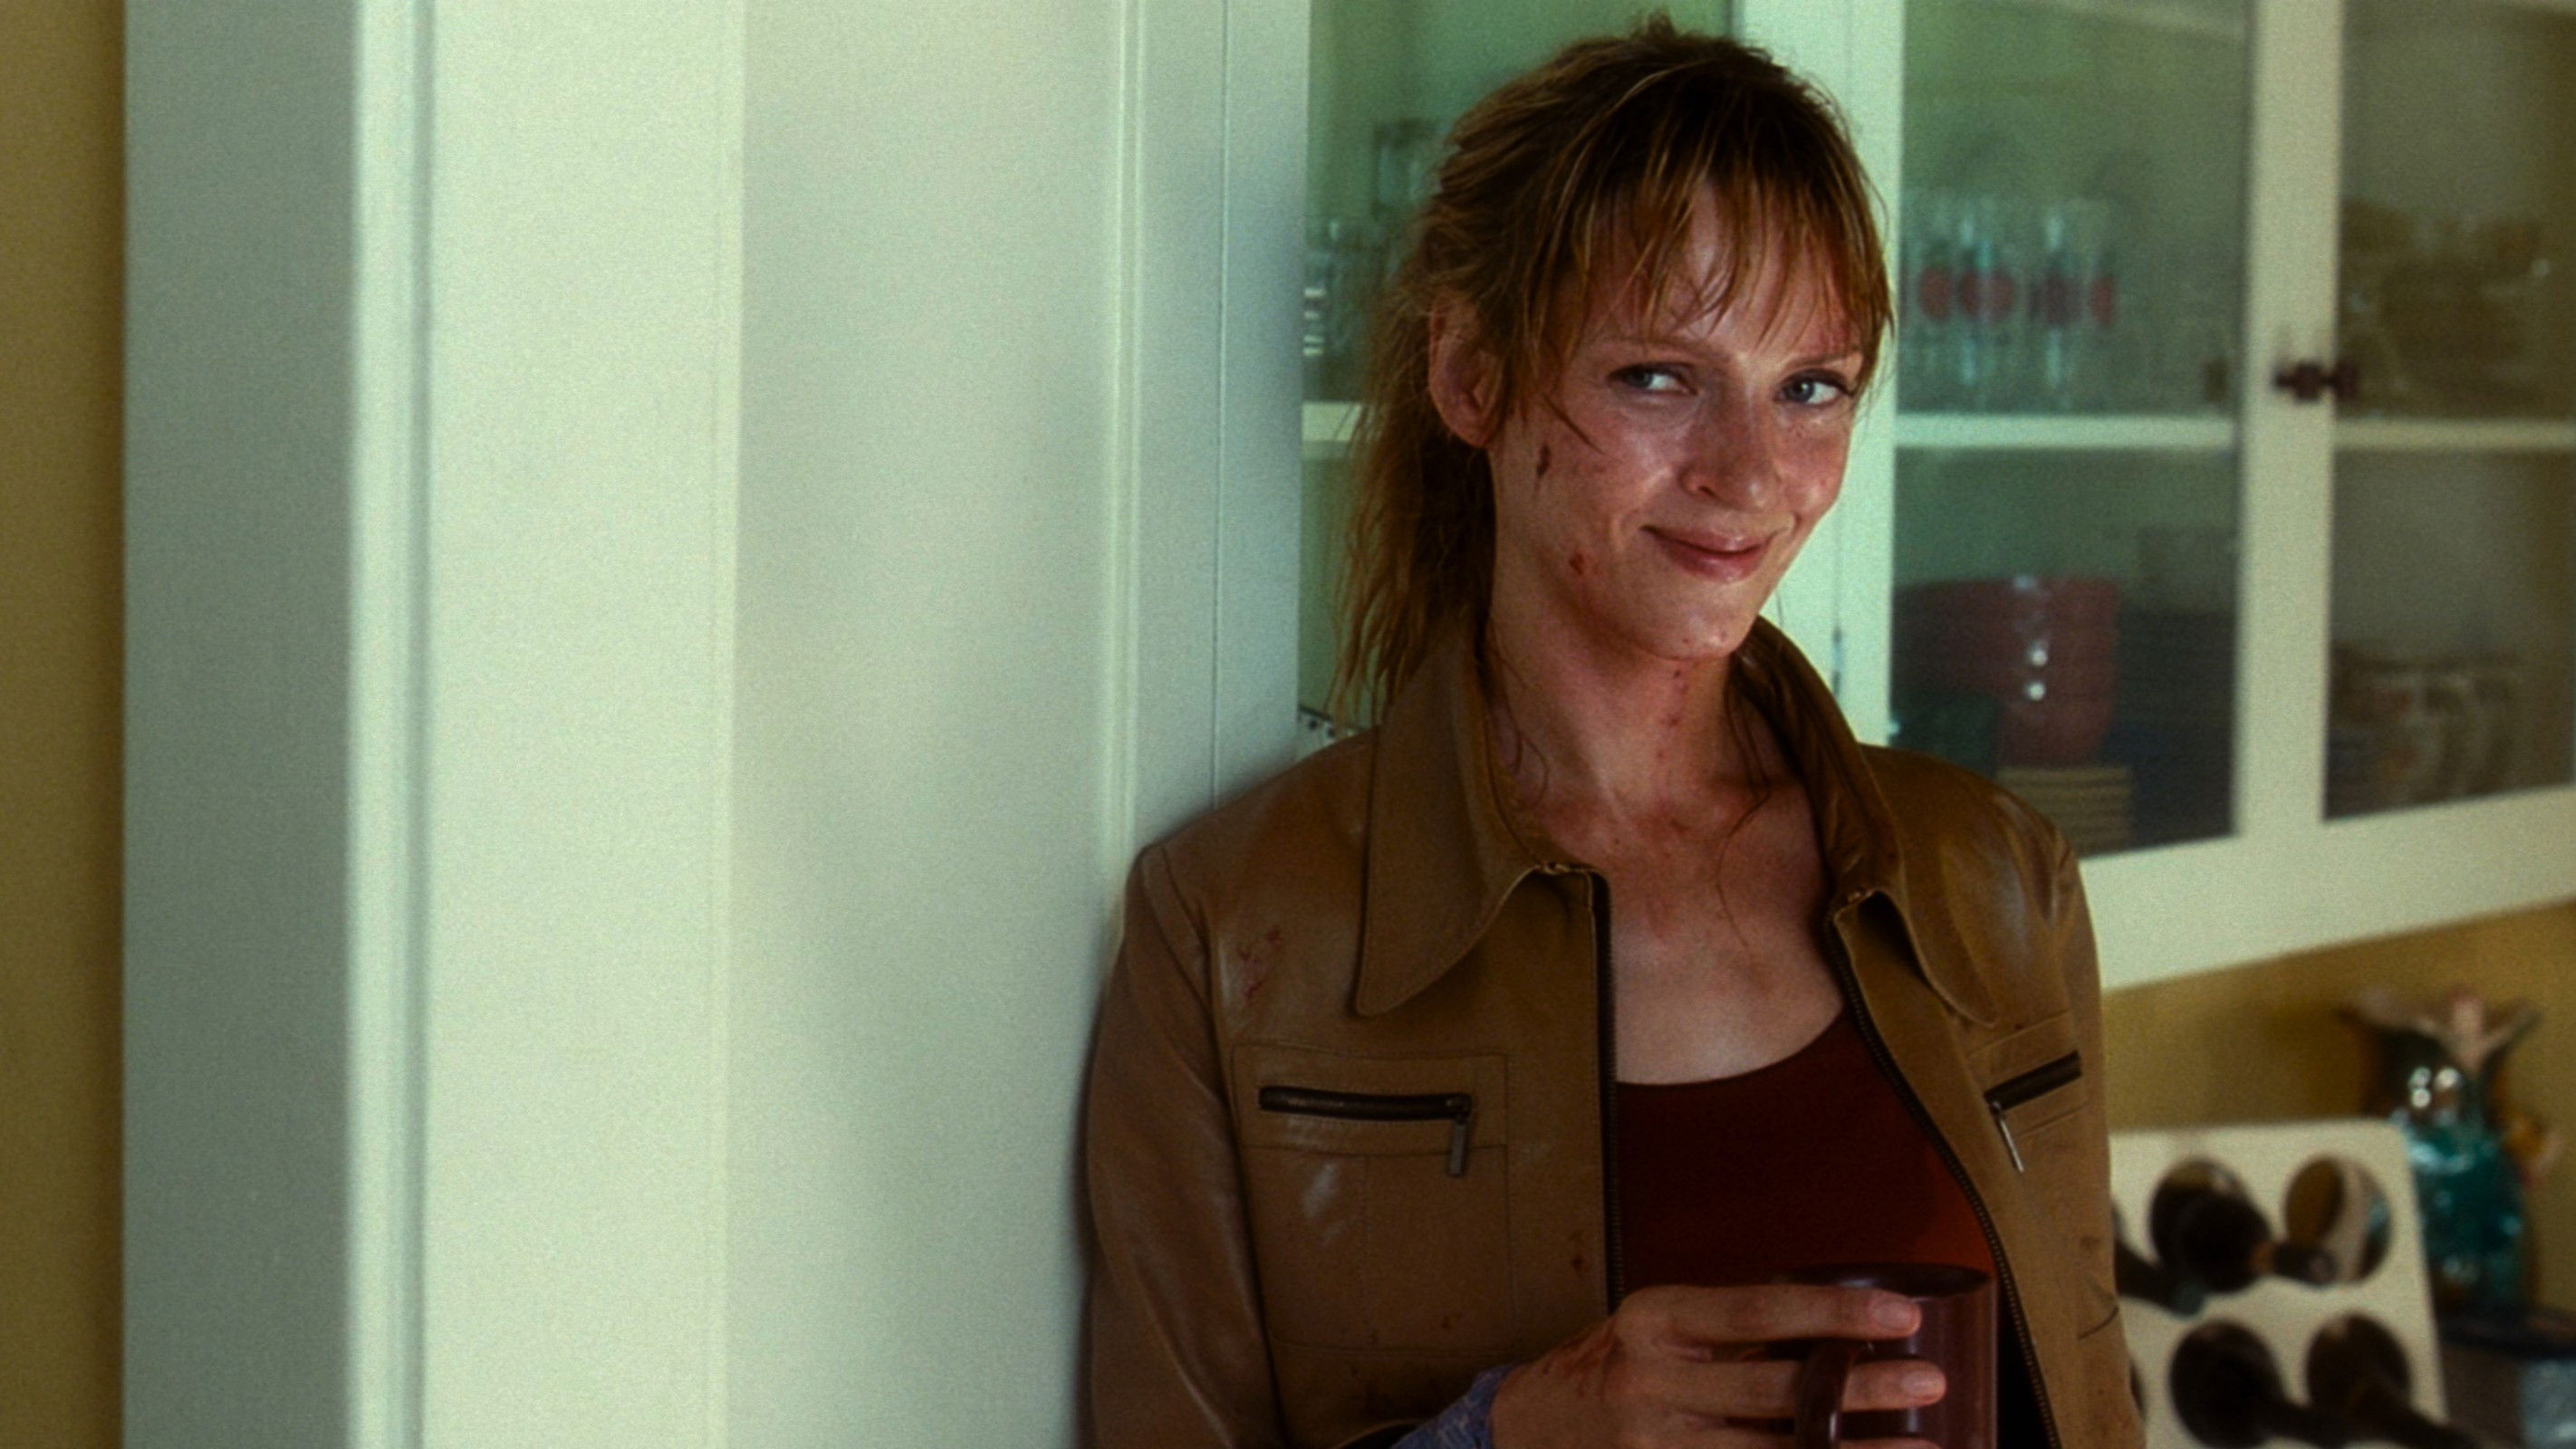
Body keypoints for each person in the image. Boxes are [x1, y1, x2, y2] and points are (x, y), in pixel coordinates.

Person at [1082, 19, 2142, 1449]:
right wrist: (1506, 1434)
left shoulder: (1999, 883)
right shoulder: (1233, 929)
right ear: (1471, 375)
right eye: (1657, 376)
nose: (1749, 476)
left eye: (1810, 387)